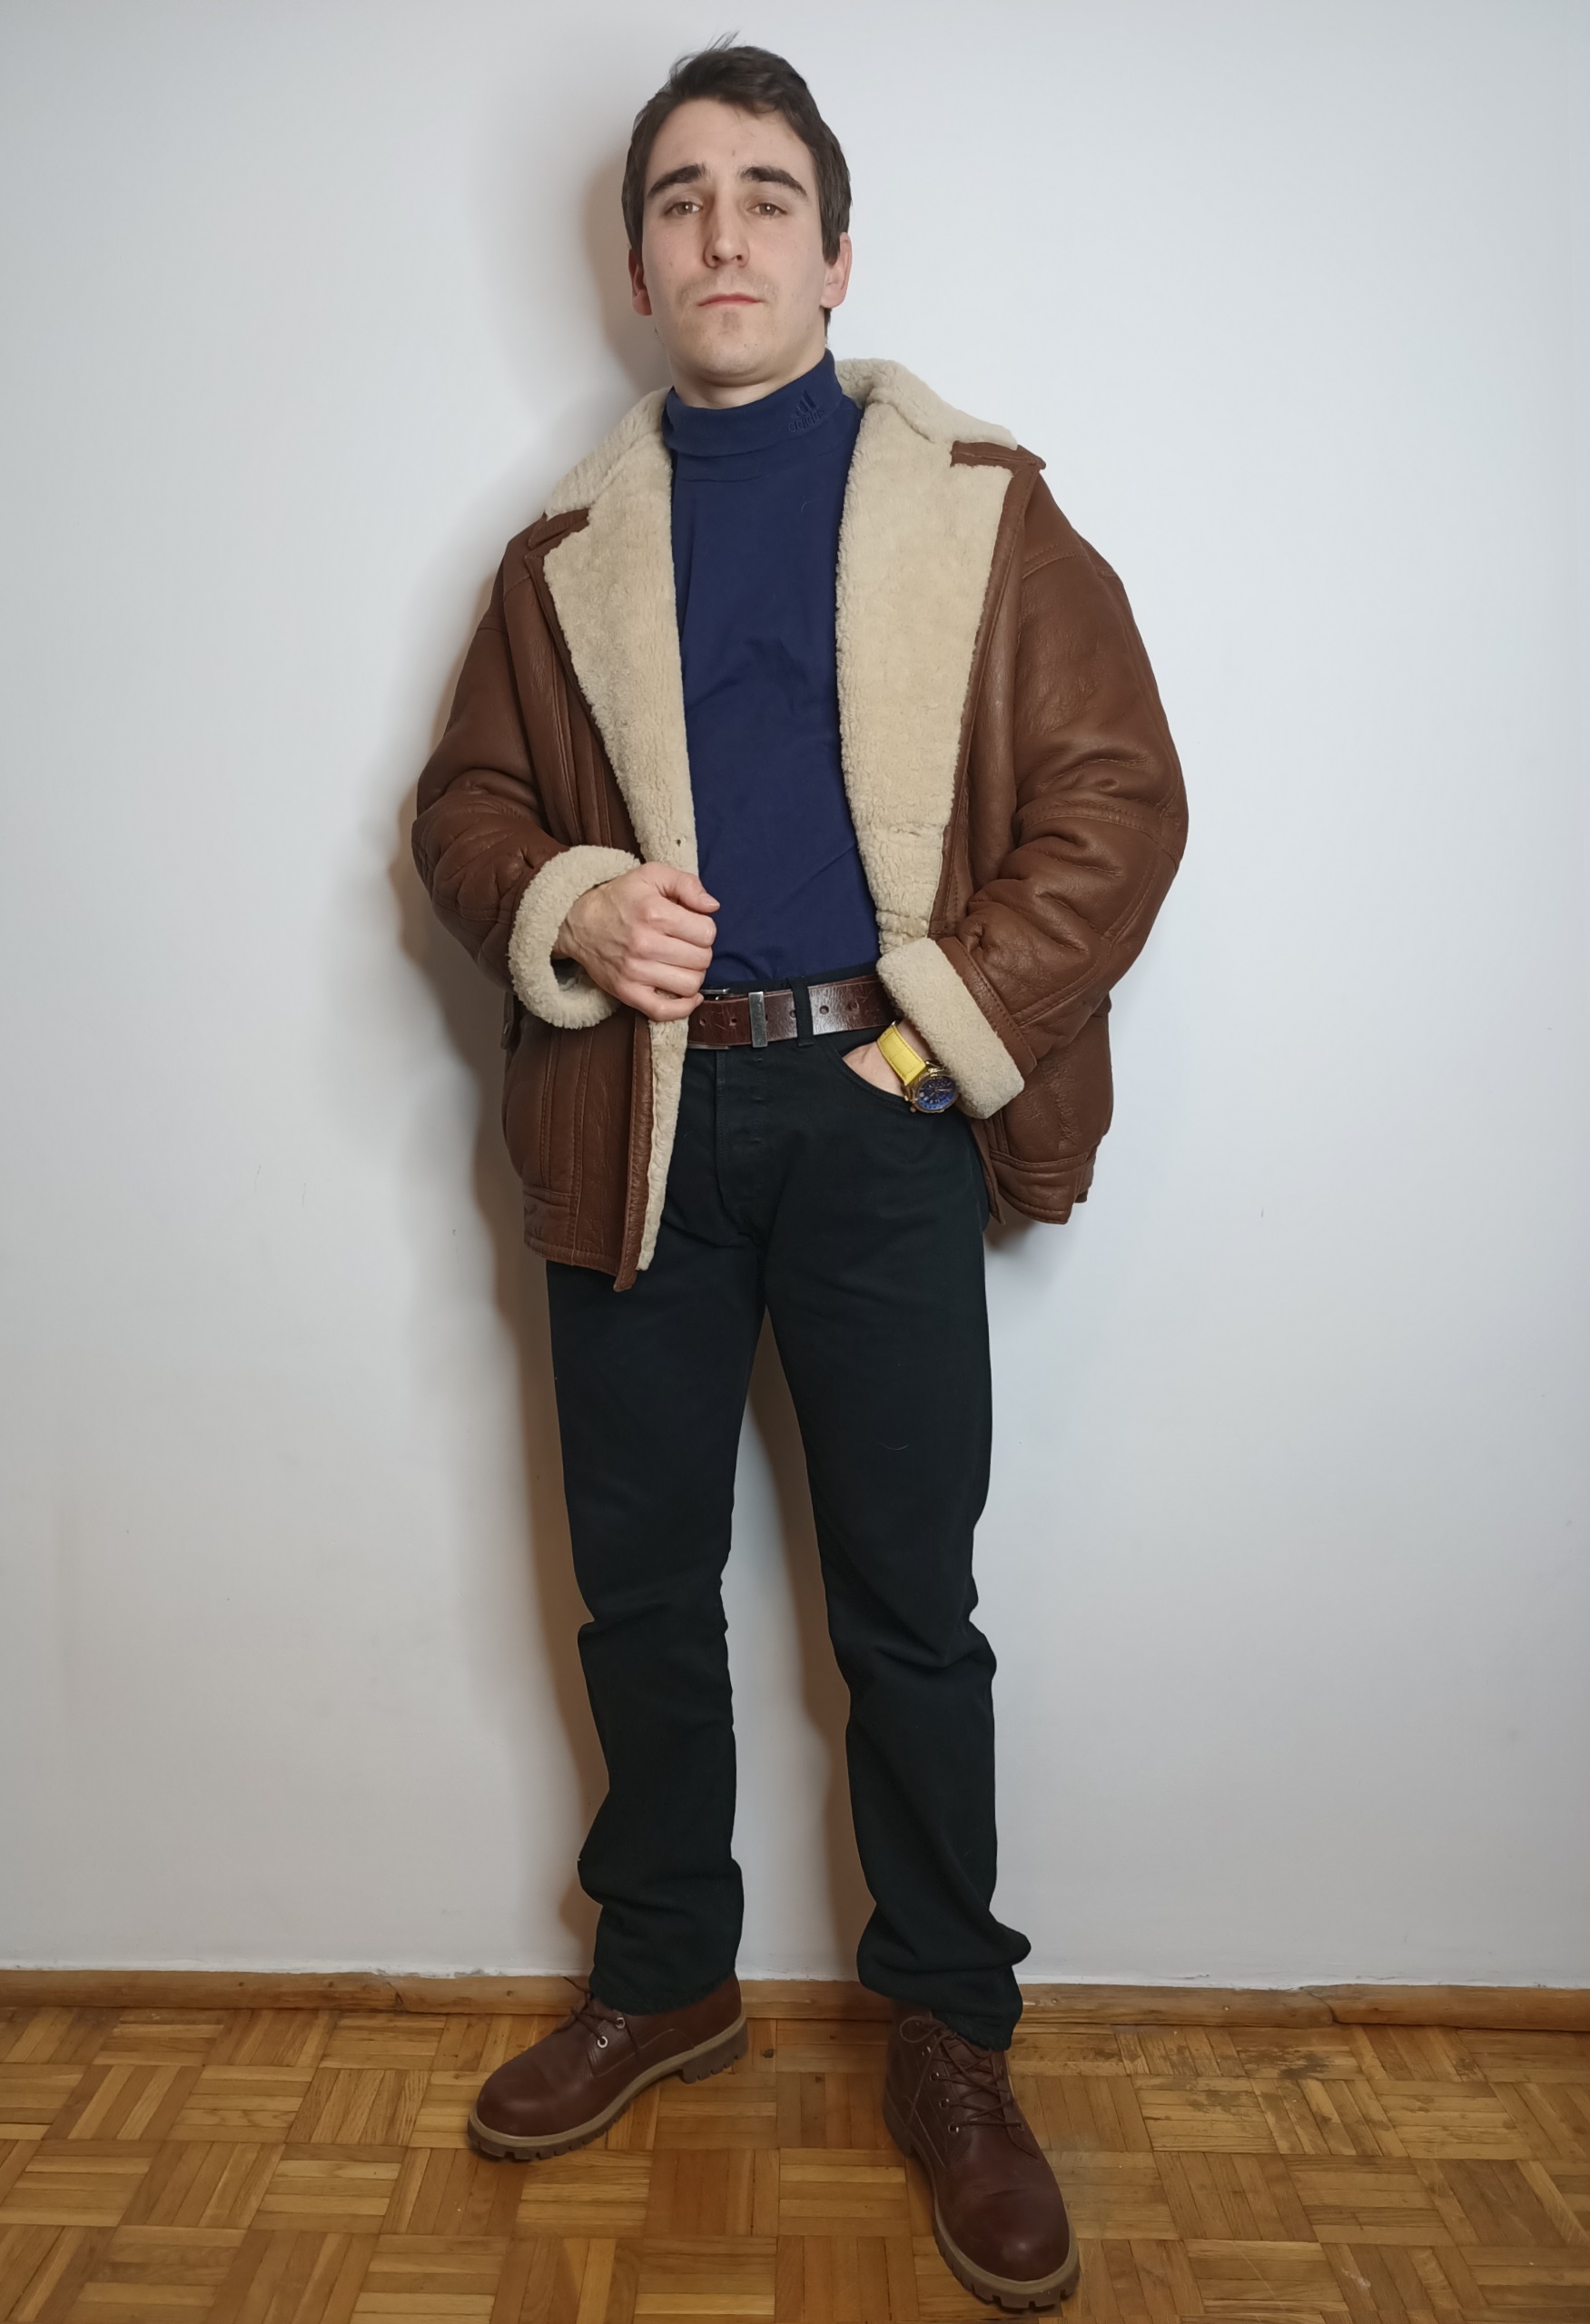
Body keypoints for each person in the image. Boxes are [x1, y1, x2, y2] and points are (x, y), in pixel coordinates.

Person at [414, 40, 1185, 2310]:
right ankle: (667, 1972)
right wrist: (570, 902)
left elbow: (1119, 799)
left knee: (906, 1609)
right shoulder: (557, 558)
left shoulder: (985, 508)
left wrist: (933, 1027)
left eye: (766, 194)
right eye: (681, 198)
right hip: (639, 1115)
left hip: (880, 1106)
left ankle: (952, 2028)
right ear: (639, 262)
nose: (723, 230)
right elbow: (459, 812)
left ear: (836, 255)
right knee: (640, 1588)